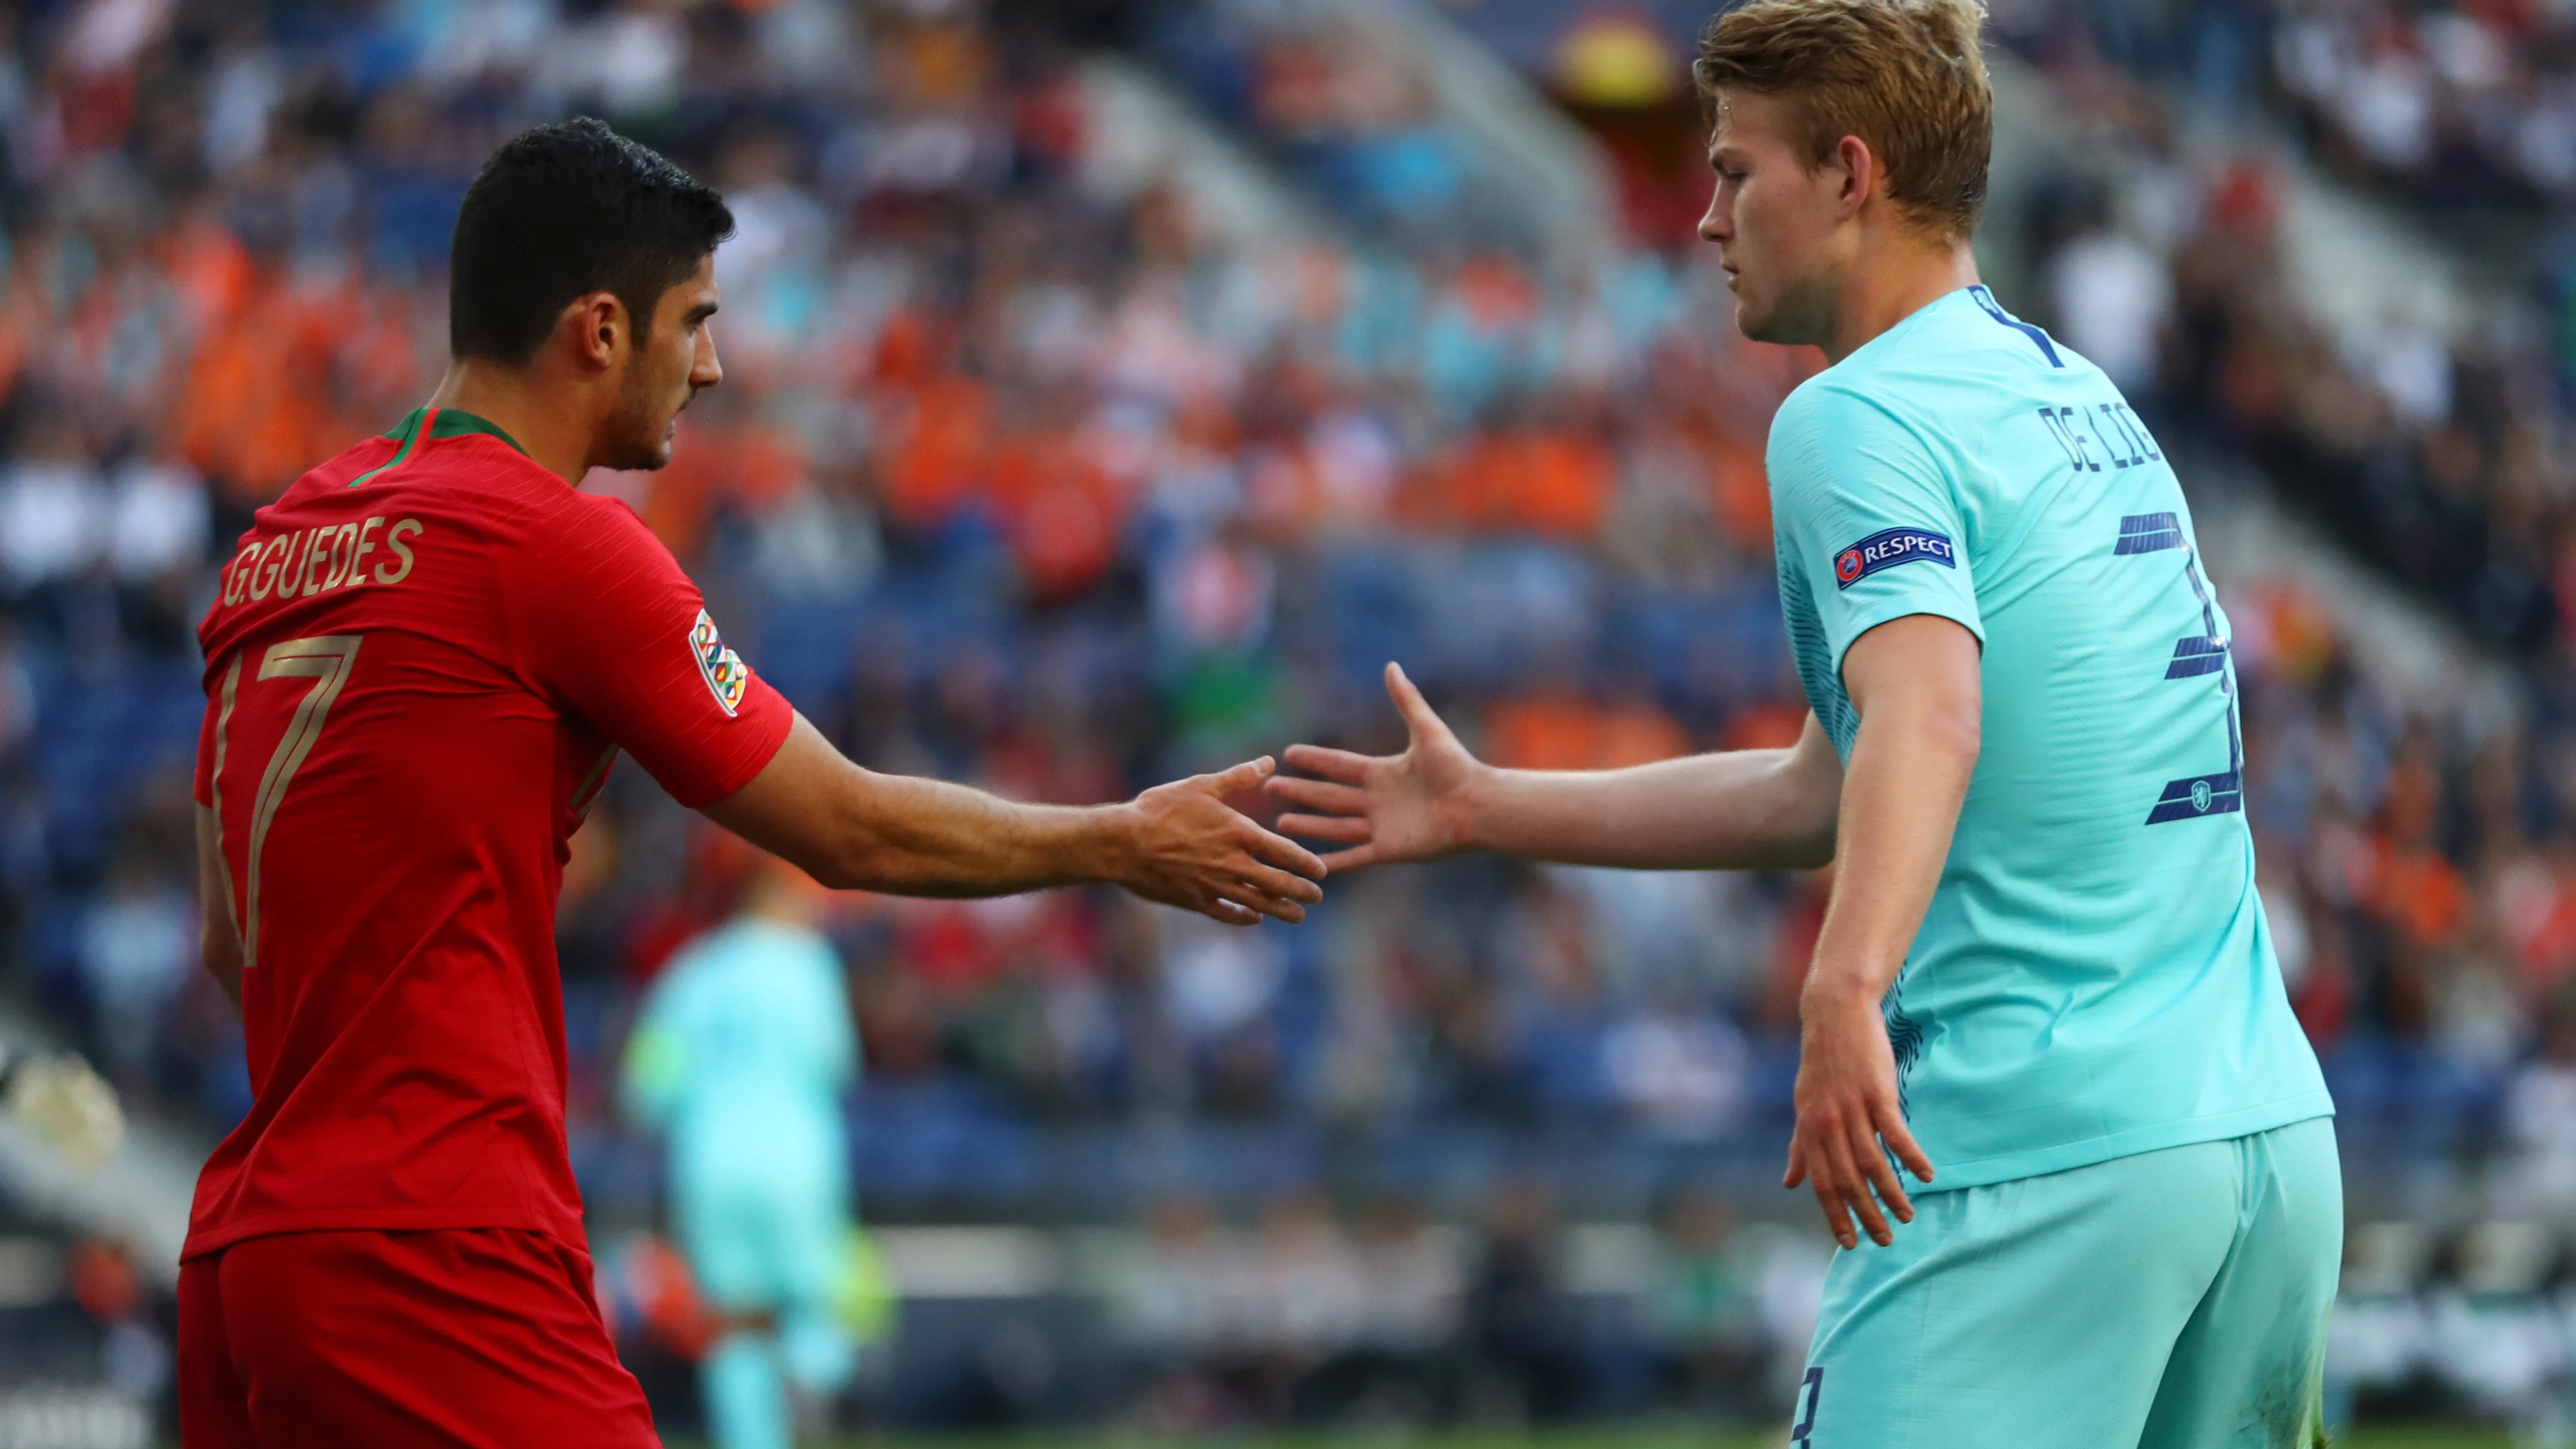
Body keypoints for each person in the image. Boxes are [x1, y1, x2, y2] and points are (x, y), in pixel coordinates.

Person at [1267, 1, 2339, 1444]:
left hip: (2038, 1156)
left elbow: (1928, 715)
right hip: (2258, 1145)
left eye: (1731, 172)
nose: (1705, 217)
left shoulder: (1853, 416)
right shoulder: (2069, 392)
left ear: (1847, 175)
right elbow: (1826, 789)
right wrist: (1479, 808)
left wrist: (1840, 994)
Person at [180, 117, 1323, 1448]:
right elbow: (845, 827)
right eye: (694, 320)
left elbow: (226, 938)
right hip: (434, 1238)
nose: (714, 365)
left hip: (247, 1251)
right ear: (600, 330)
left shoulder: (283, 540)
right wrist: (1123, 839)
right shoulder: (555, 547)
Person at [620, 859, 862, 1449]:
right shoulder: (807, 964)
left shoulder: (691, 972)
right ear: (770, 899)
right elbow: (837, 1063)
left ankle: (752, 1441)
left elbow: (647, 1091)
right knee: (808, 1303)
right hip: (797, 1161)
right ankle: (814, 1422)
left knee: (732, 1320)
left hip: (711, 1165)